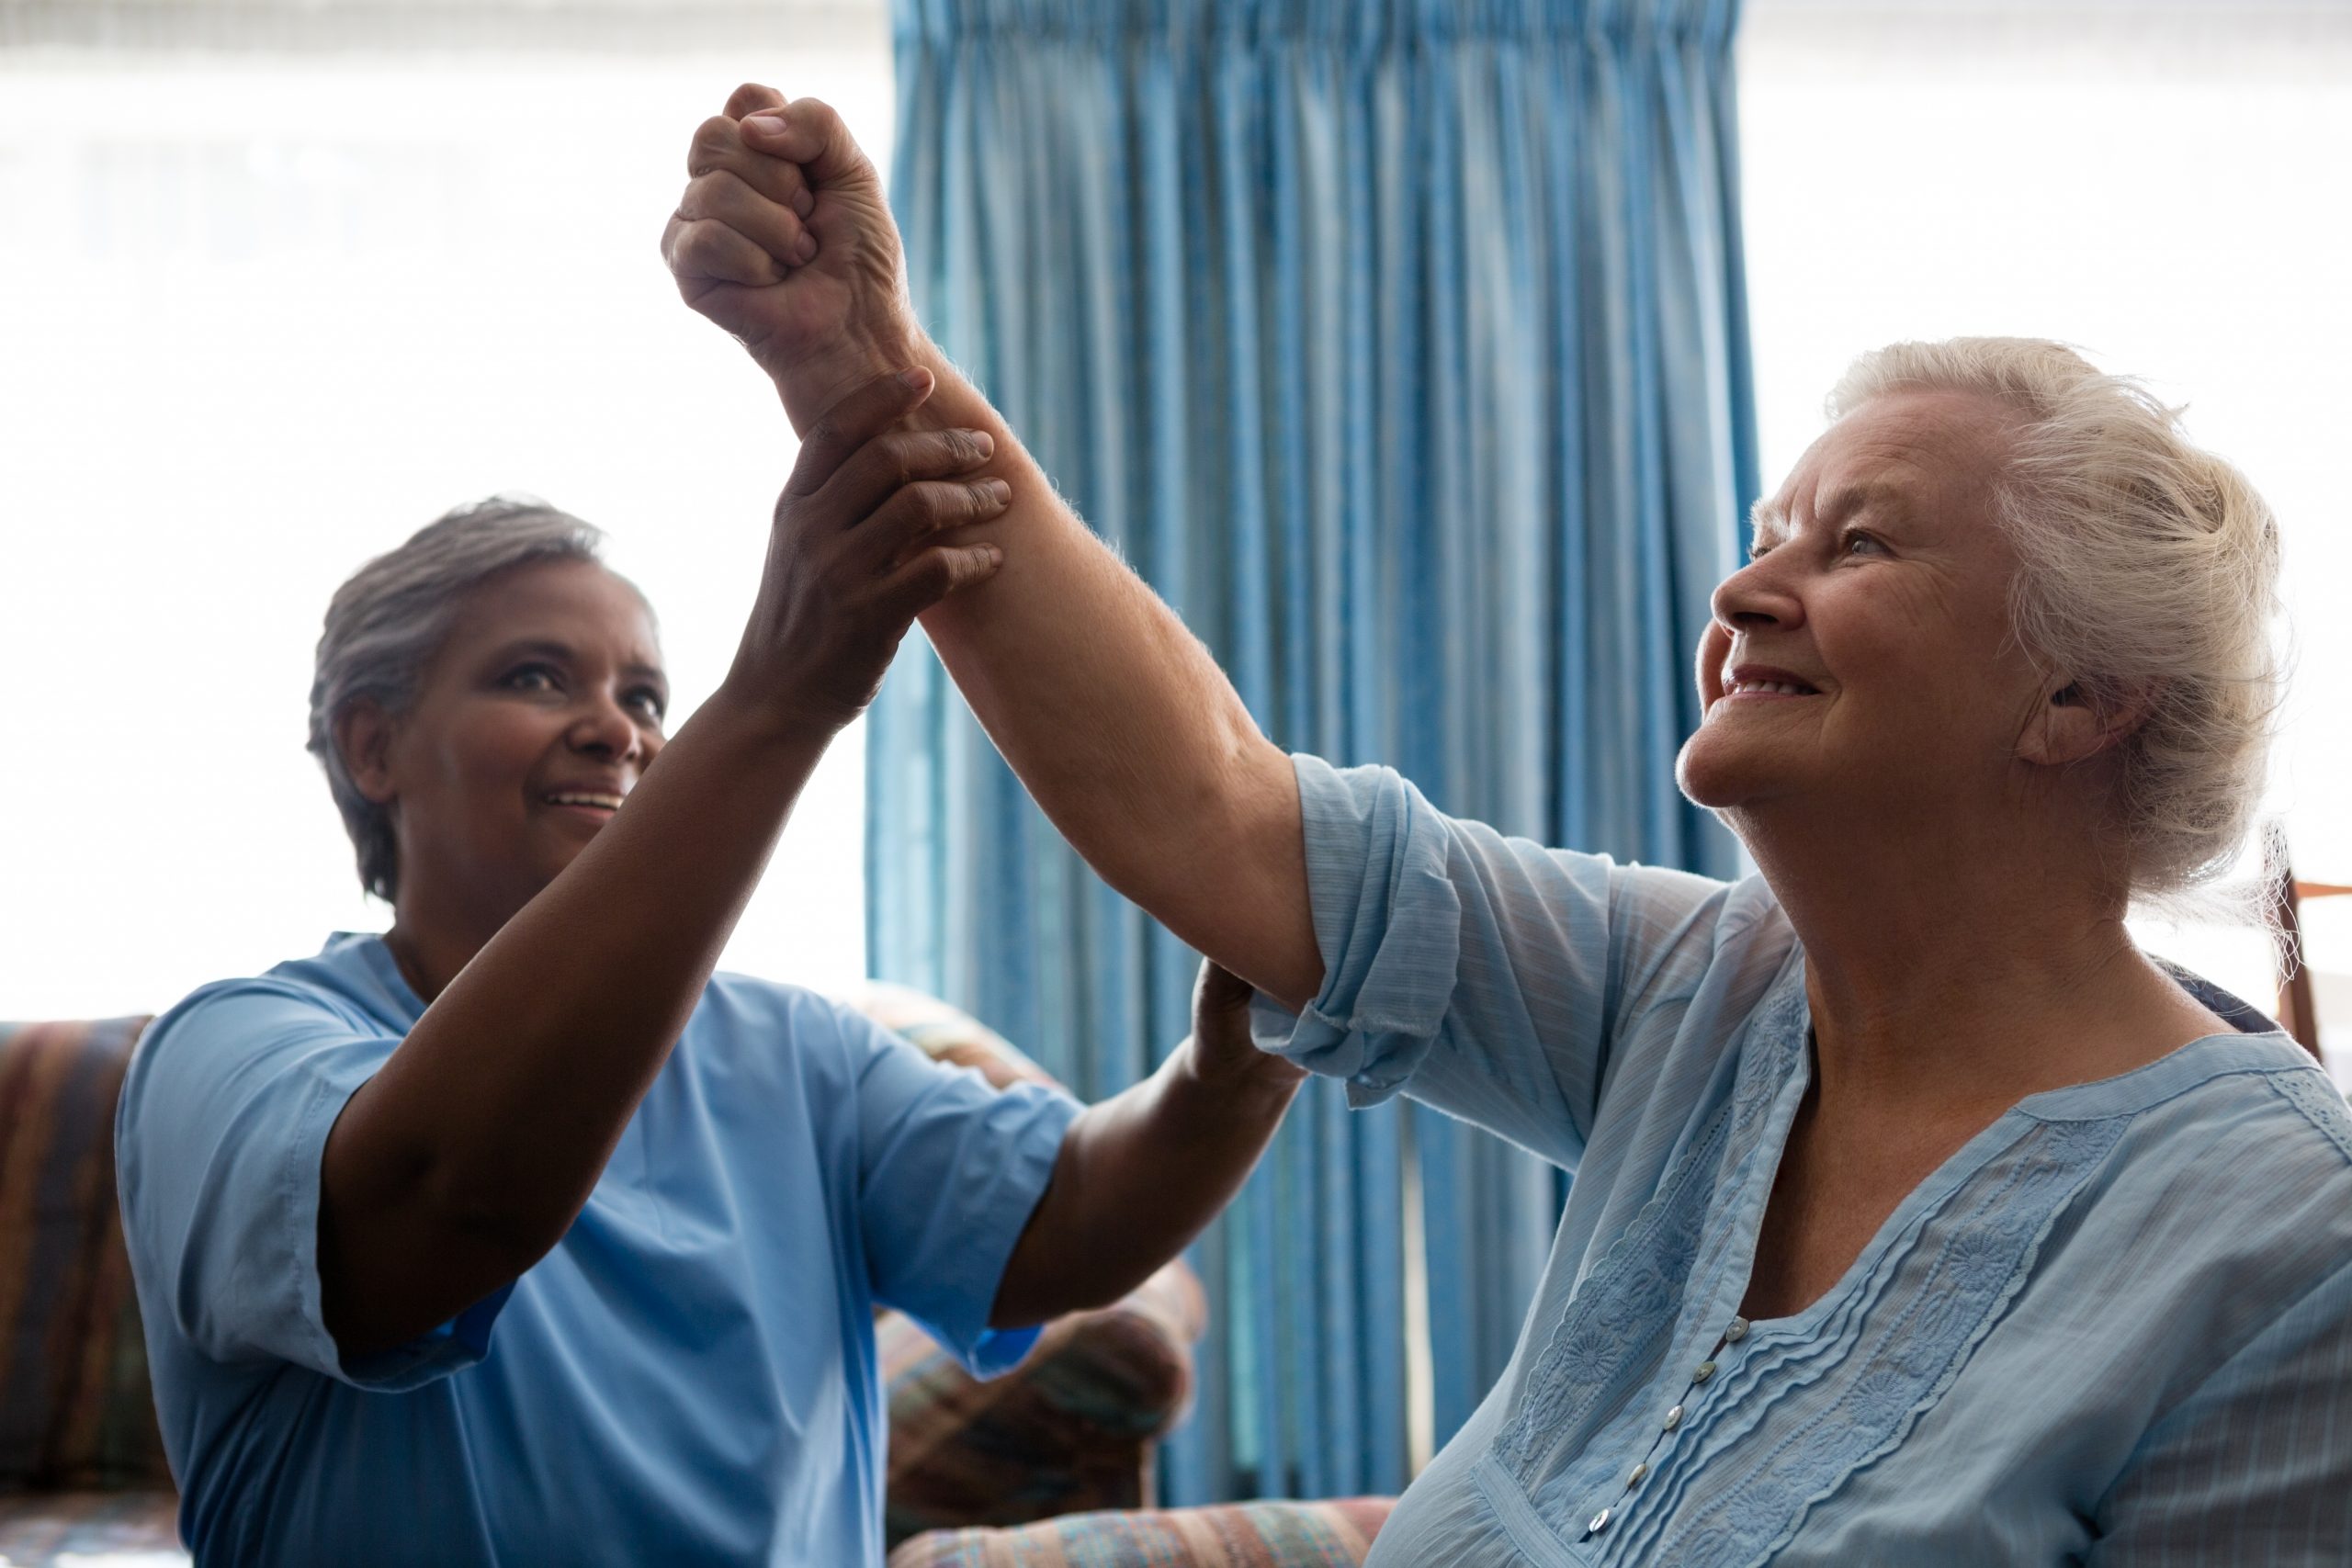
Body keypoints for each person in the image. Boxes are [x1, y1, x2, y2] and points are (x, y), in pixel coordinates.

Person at [662, 85, 2352, 1562]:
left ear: (2076, 698)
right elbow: (1217, 811)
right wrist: (858, 365)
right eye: (1769, 532)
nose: (1743, 588)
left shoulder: (2285, 1246)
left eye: (1860, 546)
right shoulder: (1694, 989)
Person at [115, 387, 1306, 1566]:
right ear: (373, 747)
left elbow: (1071, 1217)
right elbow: (440, 1206)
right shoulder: (223, 1055)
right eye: (535, 677)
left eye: (644, 697)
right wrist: (777, 701)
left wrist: (1232, 1067)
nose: (616, 728)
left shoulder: (799, 1056)